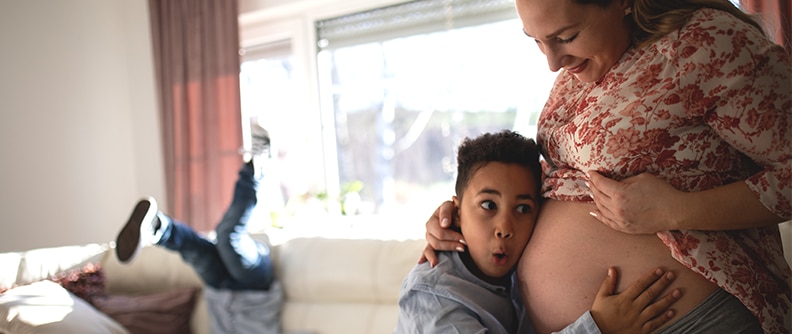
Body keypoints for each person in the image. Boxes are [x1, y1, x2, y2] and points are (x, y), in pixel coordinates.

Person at [422, 1, 791, 333]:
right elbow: (562, 179)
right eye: (535, 40)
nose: (551, 63)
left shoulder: (704, 43)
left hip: (691, 318)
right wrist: (468, 213)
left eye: (565, 36)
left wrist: (674, 210)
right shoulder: (578, 71)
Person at [395, 130, 682, 334]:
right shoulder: (434, 296)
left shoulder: (504, 268)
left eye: (522, 209)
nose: (505, 229)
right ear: (456, 212)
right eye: (488, 205)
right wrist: (599, 327)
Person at [114, 123, 282, 334]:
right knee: (227, 237)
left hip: (219, 290)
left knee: (195, 252)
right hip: (255, 285)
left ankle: (156, 227)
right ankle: (257, 166)